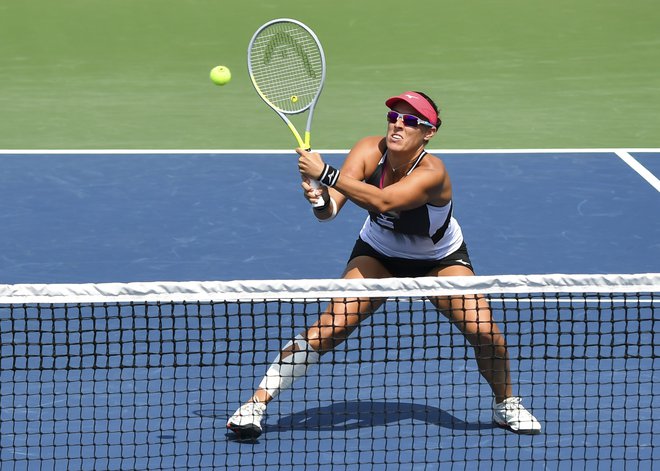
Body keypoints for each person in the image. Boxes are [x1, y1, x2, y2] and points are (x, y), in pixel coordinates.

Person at [227, 91, 541, 439]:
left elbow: (384, 199)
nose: (397, 124)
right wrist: (319, 199)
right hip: (379, 252)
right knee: (331, 327)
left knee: (485, 333)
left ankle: (506, 403)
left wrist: (325, 173)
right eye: (393, 116)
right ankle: (255, 404)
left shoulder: (433, 172)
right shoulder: (367, 151)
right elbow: (331, 210)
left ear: (429, 132)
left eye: (410, 121)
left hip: (438, 259)